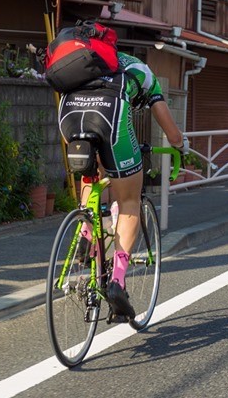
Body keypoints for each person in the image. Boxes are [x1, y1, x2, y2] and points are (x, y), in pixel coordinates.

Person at [57, 27, 187, 319]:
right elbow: (165, 120)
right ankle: (116, 282)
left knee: (91, 175)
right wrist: (180, 144)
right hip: (109, 116)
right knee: (129, 202)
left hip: (69, 116)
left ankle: (86, 228)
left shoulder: (79, 66)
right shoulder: (137, 68)